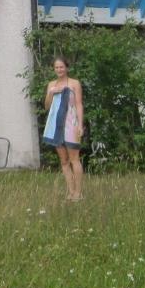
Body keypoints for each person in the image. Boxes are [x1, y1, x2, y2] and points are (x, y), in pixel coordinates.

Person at [42, 56, 84, 201]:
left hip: (71, 124)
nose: (59, 69)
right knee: (64, 161)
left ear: (66, 68)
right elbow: (47, 106)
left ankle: (78, 193)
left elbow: (79, 104)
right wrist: (51, 92)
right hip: (55, 125)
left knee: (74, 159)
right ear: (54, 69)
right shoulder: (51, 84)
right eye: (56, 67)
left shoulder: (74, 83)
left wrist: (80, 124)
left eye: (61, 67)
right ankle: (71, 192)